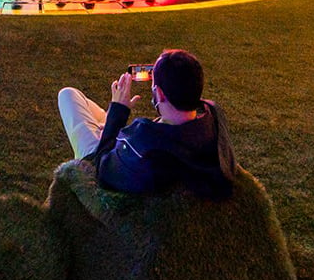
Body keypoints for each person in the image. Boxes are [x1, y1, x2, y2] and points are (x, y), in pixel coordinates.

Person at [57, 50, 237, 198]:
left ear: (159, 94)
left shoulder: (144, 142)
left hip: (102, 156)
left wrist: (118, 111)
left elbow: (101, 167)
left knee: (68, 95)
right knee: (100, 119)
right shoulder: (213, 117)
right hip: (167, 146)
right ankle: (105, 124)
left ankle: (106, 124)